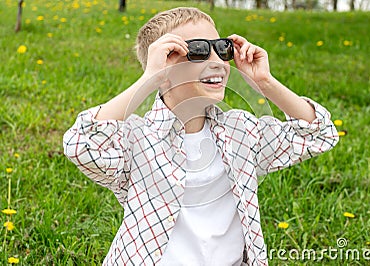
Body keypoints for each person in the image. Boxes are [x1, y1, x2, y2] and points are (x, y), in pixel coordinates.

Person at [63, 7, 339, 265]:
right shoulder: (138, 139)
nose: (217, 61)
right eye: (196, 51)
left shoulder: (241, 131)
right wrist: (148, 80)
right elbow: (81, 144)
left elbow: (319, 134)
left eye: (222, 49)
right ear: (163, 72)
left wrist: (265, 83)